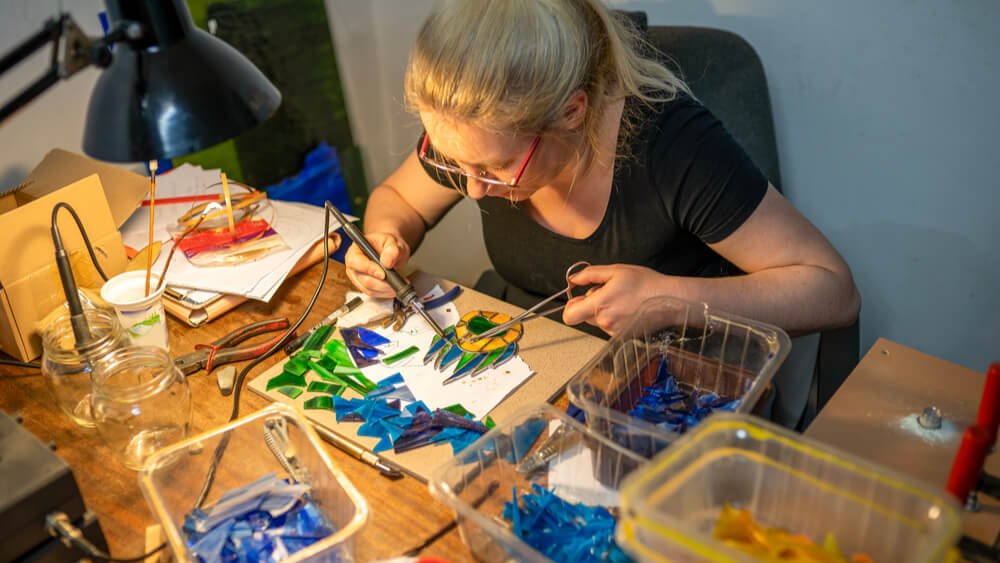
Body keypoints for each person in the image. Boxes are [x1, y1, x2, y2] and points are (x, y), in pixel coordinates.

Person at [345, 0, 860, 341]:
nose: (474, 187)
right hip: (530, 362)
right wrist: (382, 241)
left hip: (663, 383)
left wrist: (670, 299)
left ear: (572, 113)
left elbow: (833, 290)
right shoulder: (473, 143)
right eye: (455, 161)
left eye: (497, 166)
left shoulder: (673, 146)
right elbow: (402, 200)